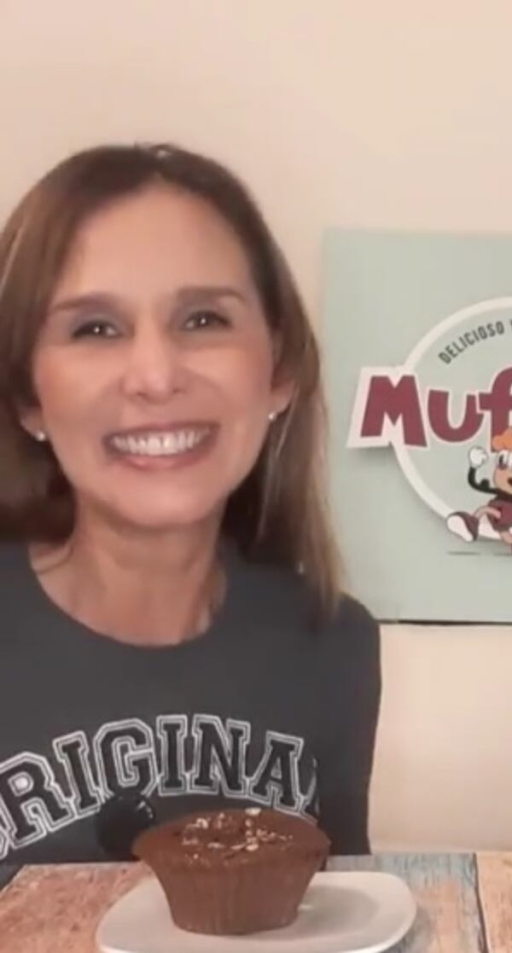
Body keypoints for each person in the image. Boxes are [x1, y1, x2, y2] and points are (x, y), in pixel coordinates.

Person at [0, 143, 381, 863]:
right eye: (94, 329)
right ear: (28, 397)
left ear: (279, 370)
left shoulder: (332, 644)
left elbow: (341, 910)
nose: (154, 375)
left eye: (203, 319)